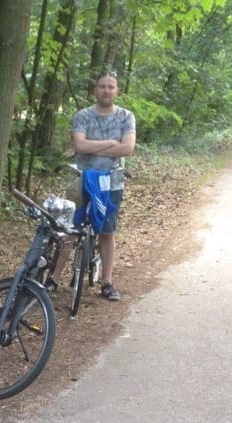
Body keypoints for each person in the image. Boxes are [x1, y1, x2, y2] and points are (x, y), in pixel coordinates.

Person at [48, 70, 136, 301]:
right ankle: (54, 278)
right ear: (95, 90)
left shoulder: (126, 116)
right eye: (102, 86)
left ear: (117, 91)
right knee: (69, 229)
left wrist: (91, 145)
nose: (106, 90)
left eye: (111, 86)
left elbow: (127, 148)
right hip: (81, 178)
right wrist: (109, 143)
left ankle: (106, 282)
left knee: (107, 232)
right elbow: (79, 146)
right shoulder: (83, 116)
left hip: (112, 182)